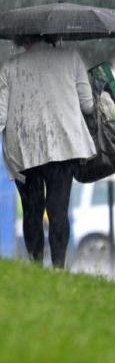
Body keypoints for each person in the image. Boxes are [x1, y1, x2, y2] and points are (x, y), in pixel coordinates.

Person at [0, 35, 96, 268]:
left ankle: (35, 265)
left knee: (33, 210)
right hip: (62, 145)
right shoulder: (71, 58)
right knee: (58, 209)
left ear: (23, 38)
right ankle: (59, 267)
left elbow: (1, 117)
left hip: (24, 149)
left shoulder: (10, 67)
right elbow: (88, 105)